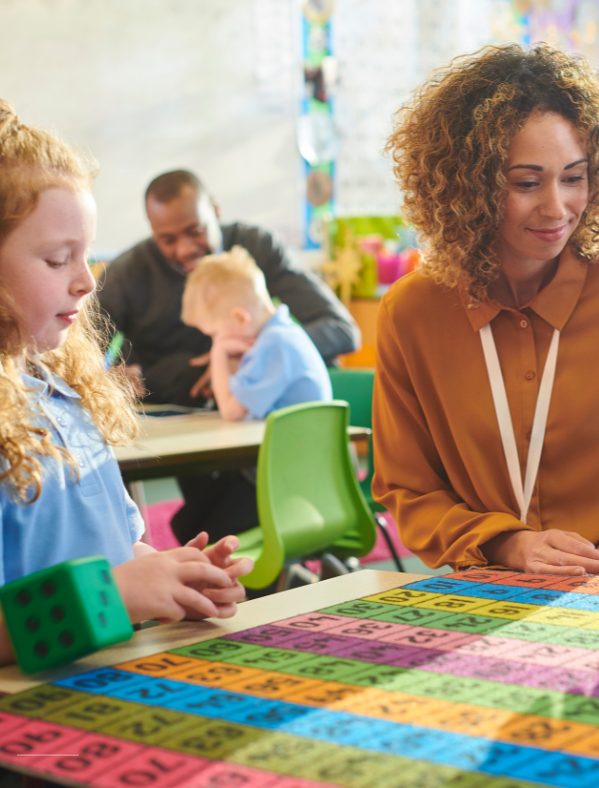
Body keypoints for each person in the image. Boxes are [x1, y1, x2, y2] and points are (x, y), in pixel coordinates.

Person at [374, 44, 599, 586]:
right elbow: (409, 490)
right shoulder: (411, 312)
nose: (557, 208)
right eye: (526, 183)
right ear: (469, 188)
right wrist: (511, 545)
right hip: (487, 568)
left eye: (574, 178)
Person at [0, 99, 253, 666]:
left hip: (106, 680)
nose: (87, 281)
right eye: (58, 259)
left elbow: (115, 552)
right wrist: (115, 595)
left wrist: (168, 578)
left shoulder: (63, 392)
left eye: (87, 255)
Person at [97, 169, 358, 406]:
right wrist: (110, 378)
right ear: (153, 233)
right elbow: (78, 355)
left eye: (196, 230)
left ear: (215, 209)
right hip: (165, 413)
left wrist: (248, 357)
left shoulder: (255, 247)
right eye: (167, 240)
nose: (185, 248)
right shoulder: (126, 274)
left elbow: (341, 330)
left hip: (256, 413)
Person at [181, 245, 332, 422]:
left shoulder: (273, 344)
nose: (215, 340)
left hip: (296, 448)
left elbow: (231, 413)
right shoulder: (284, 333)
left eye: (215, 334)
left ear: (240, 319)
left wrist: (218, 354)